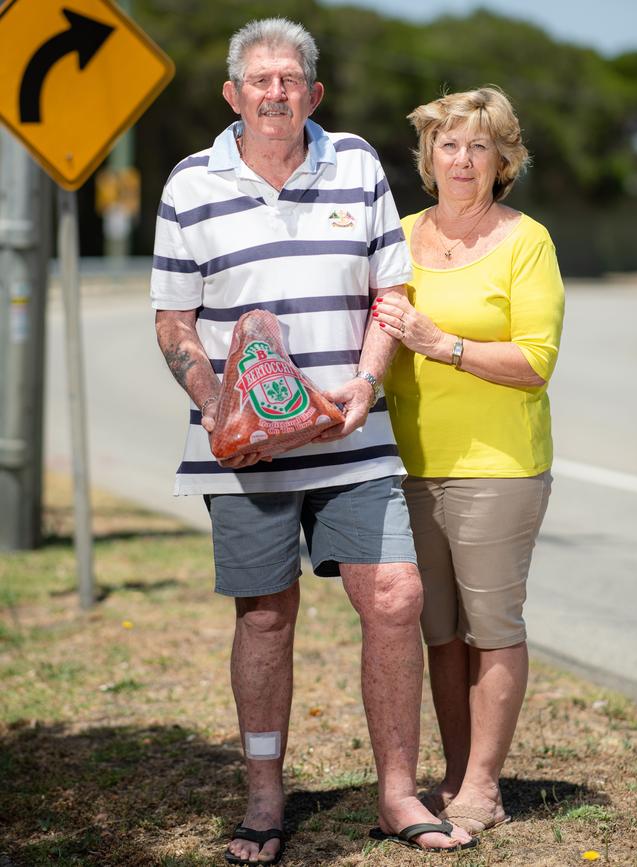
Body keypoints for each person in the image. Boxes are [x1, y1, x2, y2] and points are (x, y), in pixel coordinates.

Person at [150, 18, 475, 865]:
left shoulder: (358, 164)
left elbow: (390, 295)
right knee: (264, 619)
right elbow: (173, 319)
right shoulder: (190, 184)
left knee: (396, 597)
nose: (275, 92)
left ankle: (399, 792)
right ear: (232, 94)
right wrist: (217, 403)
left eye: (290, 79)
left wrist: (366, 384)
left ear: (314, 93)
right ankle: (264, 796)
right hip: (246, 452)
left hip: (352, 440)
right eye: (259, 80)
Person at [375, 87, 564, 834]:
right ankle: (454, 776)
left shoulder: (527, 240)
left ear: (503, 160)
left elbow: (535, 361)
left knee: (491, 625)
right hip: (410, 465)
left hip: (499, 466)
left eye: (479, 146)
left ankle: (484, 786)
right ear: (428, 157)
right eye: (448, 144)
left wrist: (439, 343)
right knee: (440, 630)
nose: (462, 159)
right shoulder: (399, 233)